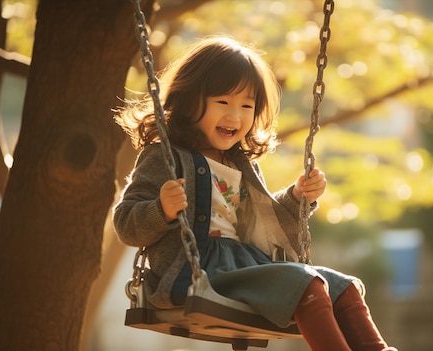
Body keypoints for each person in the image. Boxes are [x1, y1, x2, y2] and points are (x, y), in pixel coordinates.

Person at [113, 35, 396, 351]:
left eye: (246, 106)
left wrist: (298, 198)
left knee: (342, 288)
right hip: (198, 274)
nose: (235, 116)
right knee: (306, 285)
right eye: (223, 102)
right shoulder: (164, 157)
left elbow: (264, 227)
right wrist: (161, 209)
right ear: (191, 100)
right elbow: (126, 224)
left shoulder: (242, 165)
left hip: (245, 267)